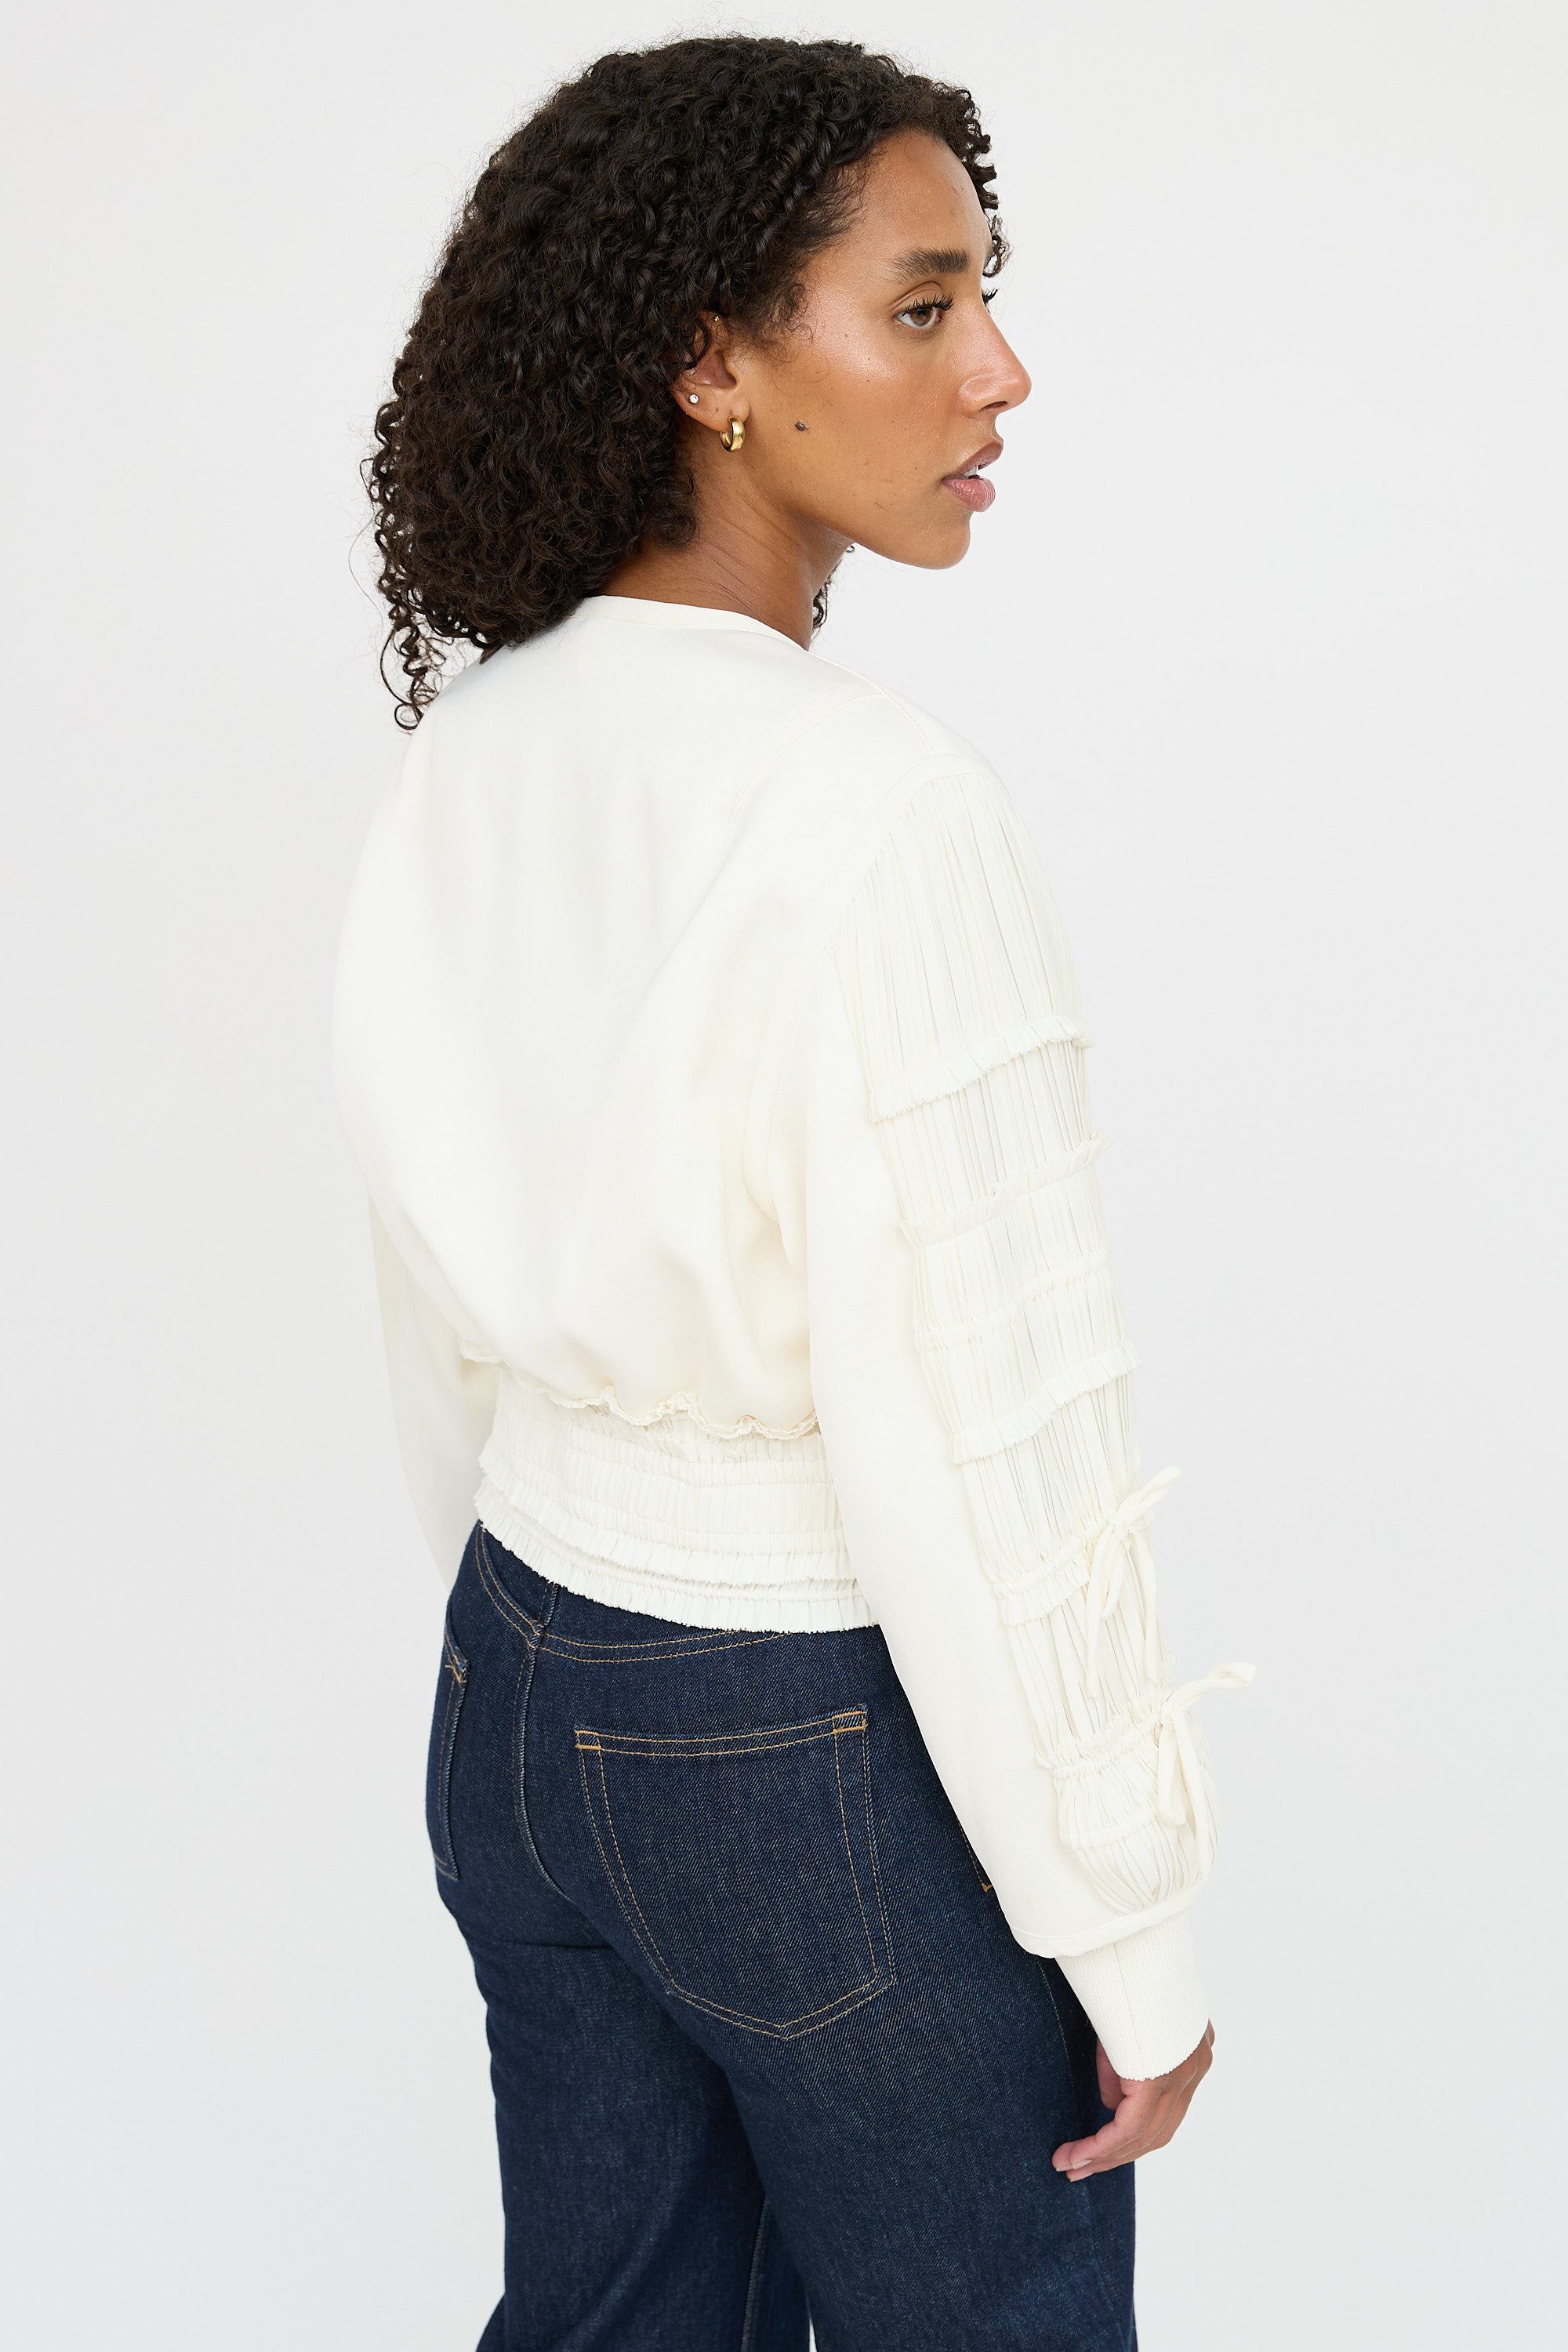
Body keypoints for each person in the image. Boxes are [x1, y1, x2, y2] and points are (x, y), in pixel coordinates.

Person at [333, 34, 1251, 2352]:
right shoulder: (879, 808)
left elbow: (429, 1286)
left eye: (985, 297)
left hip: (520, 1680)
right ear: (712, 364)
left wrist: (541, 1657)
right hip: (809, 1736)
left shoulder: (484, 744)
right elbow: (986, 1424)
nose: (1001, 368)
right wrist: (1128, 1928)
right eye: (923, 306)